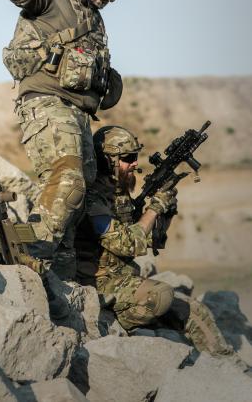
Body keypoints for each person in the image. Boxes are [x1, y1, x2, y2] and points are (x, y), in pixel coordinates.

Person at [0, 0, 129, 280]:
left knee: (75, 207)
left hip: (79, 118)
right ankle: (26, 257)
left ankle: (65, 293)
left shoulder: (97, 24)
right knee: (67, 180)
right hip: (46, 106)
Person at [74, 125, 234, 357]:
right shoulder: (93, 200)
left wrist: (165, 212)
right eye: (128, 158)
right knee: (160, 295)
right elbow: (127, 244)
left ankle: (229, 367)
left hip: (125, 280)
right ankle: (114, 323)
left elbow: (152, 241)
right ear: (108, 160)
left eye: (135, 157)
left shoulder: (118, 193)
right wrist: (155, 207)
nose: (135, 164)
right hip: (99, 286)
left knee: (195, 310)